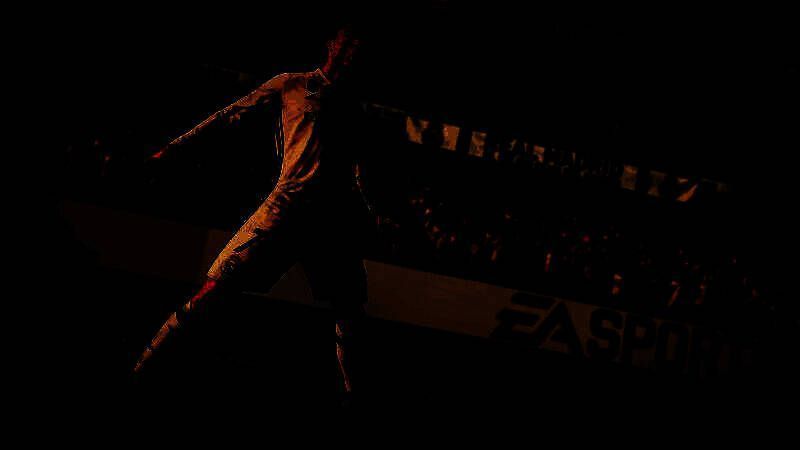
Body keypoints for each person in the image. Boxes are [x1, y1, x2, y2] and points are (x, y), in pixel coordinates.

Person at [134, 26, 373, 401]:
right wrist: (176, 147)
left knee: (351, 313)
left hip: (331, 222)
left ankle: (357, 394)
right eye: (347, 43)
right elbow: (231, 114)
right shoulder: (293, 84)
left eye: (358, 48)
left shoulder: (355, 110)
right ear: (331, 45)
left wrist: (370, 210)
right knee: (214, 289)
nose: (351, 52)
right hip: (286, 207)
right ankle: (143, 367)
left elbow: (359, 170)